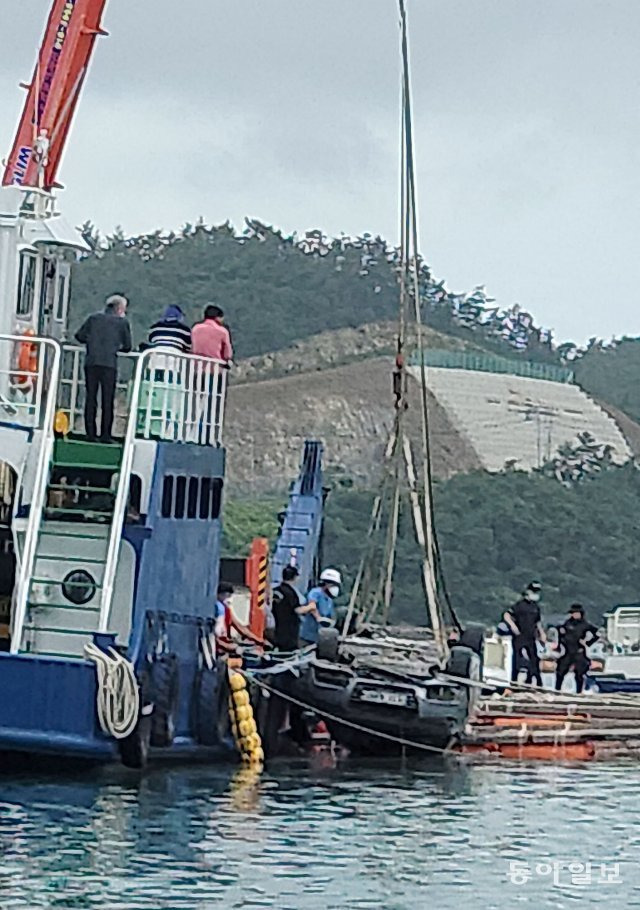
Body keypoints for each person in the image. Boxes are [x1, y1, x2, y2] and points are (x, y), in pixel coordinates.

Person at [75, 294, 132, 443]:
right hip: (109, 364)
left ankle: (90, 434)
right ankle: (105, 435)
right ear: (120, 308)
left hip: (91, 362)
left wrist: (92, 341)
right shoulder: (122, 322)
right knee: (107, 400)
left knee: (90, 398)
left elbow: (79, 336)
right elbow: (127, 346)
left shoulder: (93, 318)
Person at [503, 581, 546, 686]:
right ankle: (514, 682)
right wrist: (513, 626)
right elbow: (507, 615)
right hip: (519, 636)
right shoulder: (520, 605)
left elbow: (538, 623)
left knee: (534, 660)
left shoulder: (536, 607)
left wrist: (542, 634)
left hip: (531, 637)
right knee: (517, 660)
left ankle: (533, 682)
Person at [555, 604, 598, 694]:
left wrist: (587, 642)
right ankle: (557, 690)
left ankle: (579, 692)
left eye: (576, 613)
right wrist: (560, 644)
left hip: (579, 651)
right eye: (573, 613)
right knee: (560, 671)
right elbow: (560, 633)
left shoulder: (585, 624)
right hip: (567, 651)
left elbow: (596, 634)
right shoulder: (567, 623)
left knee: (579, 674)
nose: (575, 615)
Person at [214, 582, 266, 653]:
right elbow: (211, 636)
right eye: (227, 595)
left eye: (230, 596)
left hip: (225, 649)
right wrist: (225, 645)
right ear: (219, 594)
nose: (229, 599)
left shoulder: (227, 610)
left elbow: (241, 628)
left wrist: (259, 641)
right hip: (215, 650)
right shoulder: (215, 610)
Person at [298, 568, 342, 648]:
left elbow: (330, 613)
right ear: (326, 584)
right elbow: (312, 606)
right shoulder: (315, 592)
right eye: (333, 585)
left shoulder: (329, 599)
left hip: (320, 636)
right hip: (308, 634)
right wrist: (318, 618)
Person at [272, 565, 303, 651]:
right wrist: (310, 607)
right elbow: (297, 610)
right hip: (289, 631)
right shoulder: (290, 593)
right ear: (294, 577)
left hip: (278, 627)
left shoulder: (276, 590)